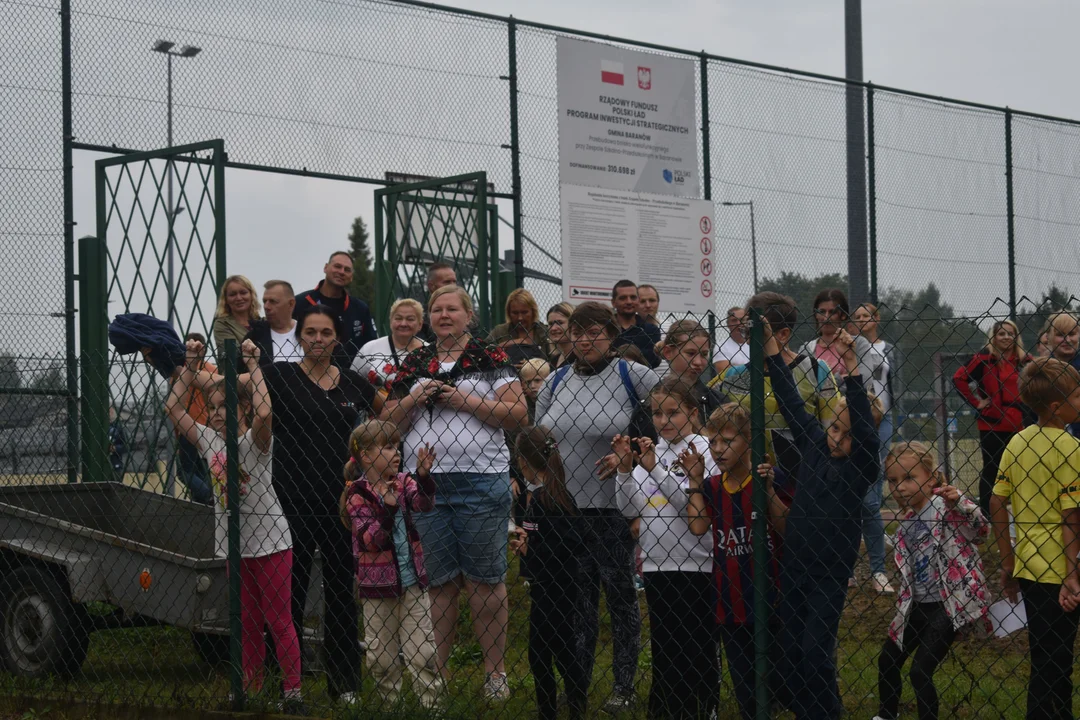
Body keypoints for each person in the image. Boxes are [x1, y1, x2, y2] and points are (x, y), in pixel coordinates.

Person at [386, 284, 527, 700]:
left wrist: (461, 399)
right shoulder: (415, 361)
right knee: (440, 583)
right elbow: (388, 425)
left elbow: (517, 414)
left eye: (452, 309)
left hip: (481, 480)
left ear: (469, 316)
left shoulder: (491, 357)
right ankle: (438, 675)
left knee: (485, 580)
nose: (443, 316)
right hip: (425, 483)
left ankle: (495, 674)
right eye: (436, 310)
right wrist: (414, 397)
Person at [534, 301, 660, 712]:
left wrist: (636, 459)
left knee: (620, 598)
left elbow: (672, 418)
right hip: (565, 512)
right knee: (576, 605)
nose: (585, 340)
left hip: (613, 510)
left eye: (595, 332)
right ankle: (578, 683)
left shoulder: (631, 375)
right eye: (578, 332)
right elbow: (537, 443)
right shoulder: (556, 381)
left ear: (611, 335)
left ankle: (624, 685)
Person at [166, 339, 303, 714]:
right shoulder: (209, 442)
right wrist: (192, 368)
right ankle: (249, 687)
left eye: (223, 406)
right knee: (245, 622)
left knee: (278, 620)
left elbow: (264, 412)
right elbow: (173, 407)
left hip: (270, 543)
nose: (214, 414)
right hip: (233, 546)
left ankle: (293, 692)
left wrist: (254, 364)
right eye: (211, 408)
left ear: (240, 409)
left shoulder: (254, 443)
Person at [259, 304, 382, 703]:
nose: (317, 339)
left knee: (341, 595)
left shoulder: (352, 383)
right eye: (310, 332)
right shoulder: (278, 375)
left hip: (342, 503)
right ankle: (286, 684)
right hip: (289, 500)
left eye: (325, 333)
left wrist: (420, 391)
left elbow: (388, 412)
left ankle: (344, 684)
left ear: (337, 339)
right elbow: (233, 387)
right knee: (288, 593)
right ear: (300, 337)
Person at [767, 321, 882, 720]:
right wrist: (769, 351)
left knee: (816, 655)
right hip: (794, 569)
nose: (836, 437)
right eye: (834, 426)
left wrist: (851, 367)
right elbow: (791, 403)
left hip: (828, 576)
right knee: (790, 656)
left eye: (844, 434)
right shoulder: (815, 446)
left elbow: (865, 436)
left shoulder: (859, 469)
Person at [614, 378, 718, 719]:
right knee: (665, 645)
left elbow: (687, 502)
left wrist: (653, 468)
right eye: (657, 413)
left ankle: (703, 707)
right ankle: (667, 708)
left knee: (696, 644)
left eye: (673, 413)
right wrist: (626, 473)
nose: (663, 421)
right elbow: (631, 509)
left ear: (692, 411)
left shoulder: (704, 450)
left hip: (697, 562)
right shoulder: (652, 453)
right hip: (657, 563)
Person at [686, 403, 788, 720]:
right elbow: (698, 526)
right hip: (730, 604)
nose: (718, 449)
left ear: (749, 441)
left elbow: (787, 528)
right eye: (713, 442)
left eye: (728, 441)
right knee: (745, 687)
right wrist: (693, 482)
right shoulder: (713, 487)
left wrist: (769, 489)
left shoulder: (767, 479)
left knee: (780, 683)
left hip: (772, 601)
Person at [991, 357, 1080, 720]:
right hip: (1060, 571)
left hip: (1028, 566)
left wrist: (1008, 560)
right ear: (1058, 407)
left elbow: (997, 501)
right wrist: (1073, 573)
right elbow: (1071, 516)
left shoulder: (1017, 442)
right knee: (1055, 662)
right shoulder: (1071, 449)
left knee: (1045, 653)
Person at [875, 441, 990, 720]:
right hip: (917, 606)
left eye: (910, 477)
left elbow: (981, 531)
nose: (900, 486)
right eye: (893, 480)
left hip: (946, 607)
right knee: (887, 660)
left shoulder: (947, 508)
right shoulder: (906, 523)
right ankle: (886, 715)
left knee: (920, 670)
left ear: (932, 477)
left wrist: (961, 502)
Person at [339, 420, 443, 709]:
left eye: (397, 445)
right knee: (380, 656)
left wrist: (423, 476)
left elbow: (424, 504)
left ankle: (431, 708)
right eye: (387, 446)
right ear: (367, 456)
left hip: (412, 583)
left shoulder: (404, 481)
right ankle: (391, 707)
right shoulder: (357, 494)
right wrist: (389, 509)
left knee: (422, 652)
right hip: (376, 588)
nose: (396, 452)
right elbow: (371, 540)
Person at [711, 291, 840, 493]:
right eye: (746, 331)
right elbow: (698, 400)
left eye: (756, 332)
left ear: (783, 334)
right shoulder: (732, 377)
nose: (747, 340)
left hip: (806, 484)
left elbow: (834, 429)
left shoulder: (816, 370)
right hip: (749, 487)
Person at [509, 425, 588, 720]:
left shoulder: (548, 498)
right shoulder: (544, 496)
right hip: (547, 586)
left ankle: (561, 711)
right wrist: (529, 540)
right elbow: (552, 536)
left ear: (525, 462)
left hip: (557, 588)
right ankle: (558, 710)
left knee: (551, 655)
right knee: (549, 654)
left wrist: (533, 550)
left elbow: (573, 541)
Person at [952, 319, 1031, 515]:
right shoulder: (983, 358)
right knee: (992, 470)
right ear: (994, 337)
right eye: (1001, 333)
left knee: (1022, 470)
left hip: (1020, 424)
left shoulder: (1025, 360)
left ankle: (1022, 513)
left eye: (1010, 333)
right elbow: (959, 378)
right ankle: (988, 516)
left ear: (1016, 336)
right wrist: (977, 402)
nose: (1006, 337)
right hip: (992, 425)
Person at [293, 251, 378, 367]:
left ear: (351, 277)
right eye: (337, 266)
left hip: (350, 379)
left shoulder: (360, 308)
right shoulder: (301, 302)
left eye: (347, 270)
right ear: (325, 268)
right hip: (306, 377)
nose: (342, 272)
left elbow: (372, 345)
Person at [173, 332, 216, 506]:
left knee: (186, 471)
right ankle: (205, 499)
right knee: (202, 469)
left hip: (188, 424)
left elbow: (175, 399)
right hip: (208, 424)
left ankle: (208, 497)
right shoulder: (212, 370)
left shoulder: (181, 371)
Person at [658, 320, 728, 425]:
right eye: (690, 353)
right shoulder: (650, 400)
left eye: (704, 354)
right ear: (668, 352)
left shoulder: (719, 403)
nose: (698, 362)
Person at [352, 298, 426, 389]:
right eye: (398, 318)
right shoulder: (369, 348)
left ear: (420, 324)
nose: (403, 323)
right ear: (391, 322)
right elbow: (352, 382)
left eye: (410, 319)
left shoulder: (429, 350)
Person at [243, 280, 302, 369]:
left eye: (273, 301)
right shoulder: (255, 337)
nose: (266, 306)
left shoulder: (308, 332)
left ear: (291, 304)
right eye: (264, 301)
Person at [1044, 311, 1080, 437]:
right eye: (1060, 335)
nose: (1067, 340)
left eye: (1072, 334)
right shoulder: (1041, 370)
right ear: (1047, 337)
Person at [611, 279, 662, 368]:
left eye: (633, 297)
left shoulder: (651, 330)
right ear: (613, 303)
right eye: (623, 298)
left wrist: (615, 353)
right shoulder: (606, 329)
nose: (629, 302)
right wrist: (640, 354)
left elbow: (653, 360)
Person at [213, 275, 262, 350]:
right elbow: (234, 354)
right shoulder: (222, 324)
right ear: (226, 299)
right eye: (232, 294)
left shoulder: (264, 322)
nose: (238, 298)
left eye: (243, 293)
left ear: (251, 295)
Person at [417, 262, 458, 343]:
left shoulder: (466, 312)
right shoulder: (420, 316)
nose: (453, 286)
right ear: (431, 286)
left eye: (454, 281)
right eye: (447, 282)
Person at [714, 306, 750, 374]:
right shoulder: (721, 346)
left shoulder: (755, 343)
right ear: (728, 324)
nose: (738, 323)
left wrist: (734, 367)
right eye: (734, 320)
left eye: (742, 320)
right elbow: (725, 372)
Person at [546, 302, 575, 368]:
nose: (553, 328)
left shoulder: (580, 359)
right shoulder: (554, 360)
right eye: (550, 324)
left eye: (560, 323)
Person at [107, 405, 127, 482]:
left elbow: (126, 446)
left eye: (109, 411)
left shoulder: (118, 427)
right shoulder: (98, 427)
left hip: (115, 464)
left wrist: (115, 448)